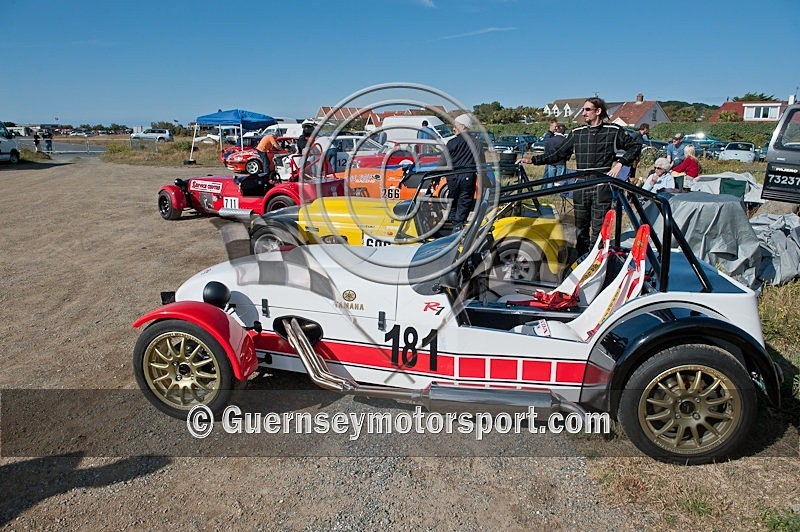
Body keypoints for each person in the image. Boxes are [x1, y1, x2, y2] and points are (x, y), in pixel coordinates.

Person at [518, 97, 641, 256]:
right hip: (581, 185)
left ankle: (597, 261)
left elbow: (635, 146)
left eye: (587, 110)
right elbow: (557, 154)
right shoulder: (577, 133)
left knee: (599, 229)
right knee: (580, 228)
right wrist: (533, 160)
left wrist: (620, 163)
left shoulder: (613, 130)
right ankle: (581, 259)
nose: (583, 113)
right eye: (583, 110)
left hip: (601, 186)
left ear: (598, 111)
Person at [441, 113, 479, 231]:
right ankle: (458, 223)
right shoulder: (476, 143)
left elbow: (443, 160)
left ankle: (452, 220)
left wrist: (435, 177)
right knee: (465, 199)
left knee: (453, 197)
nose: (453, 128)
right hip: (468, 176)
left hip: (452, 176)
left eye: (456, 126)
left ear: (463, 127)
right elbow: (481, 161)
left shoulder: (452, 142)